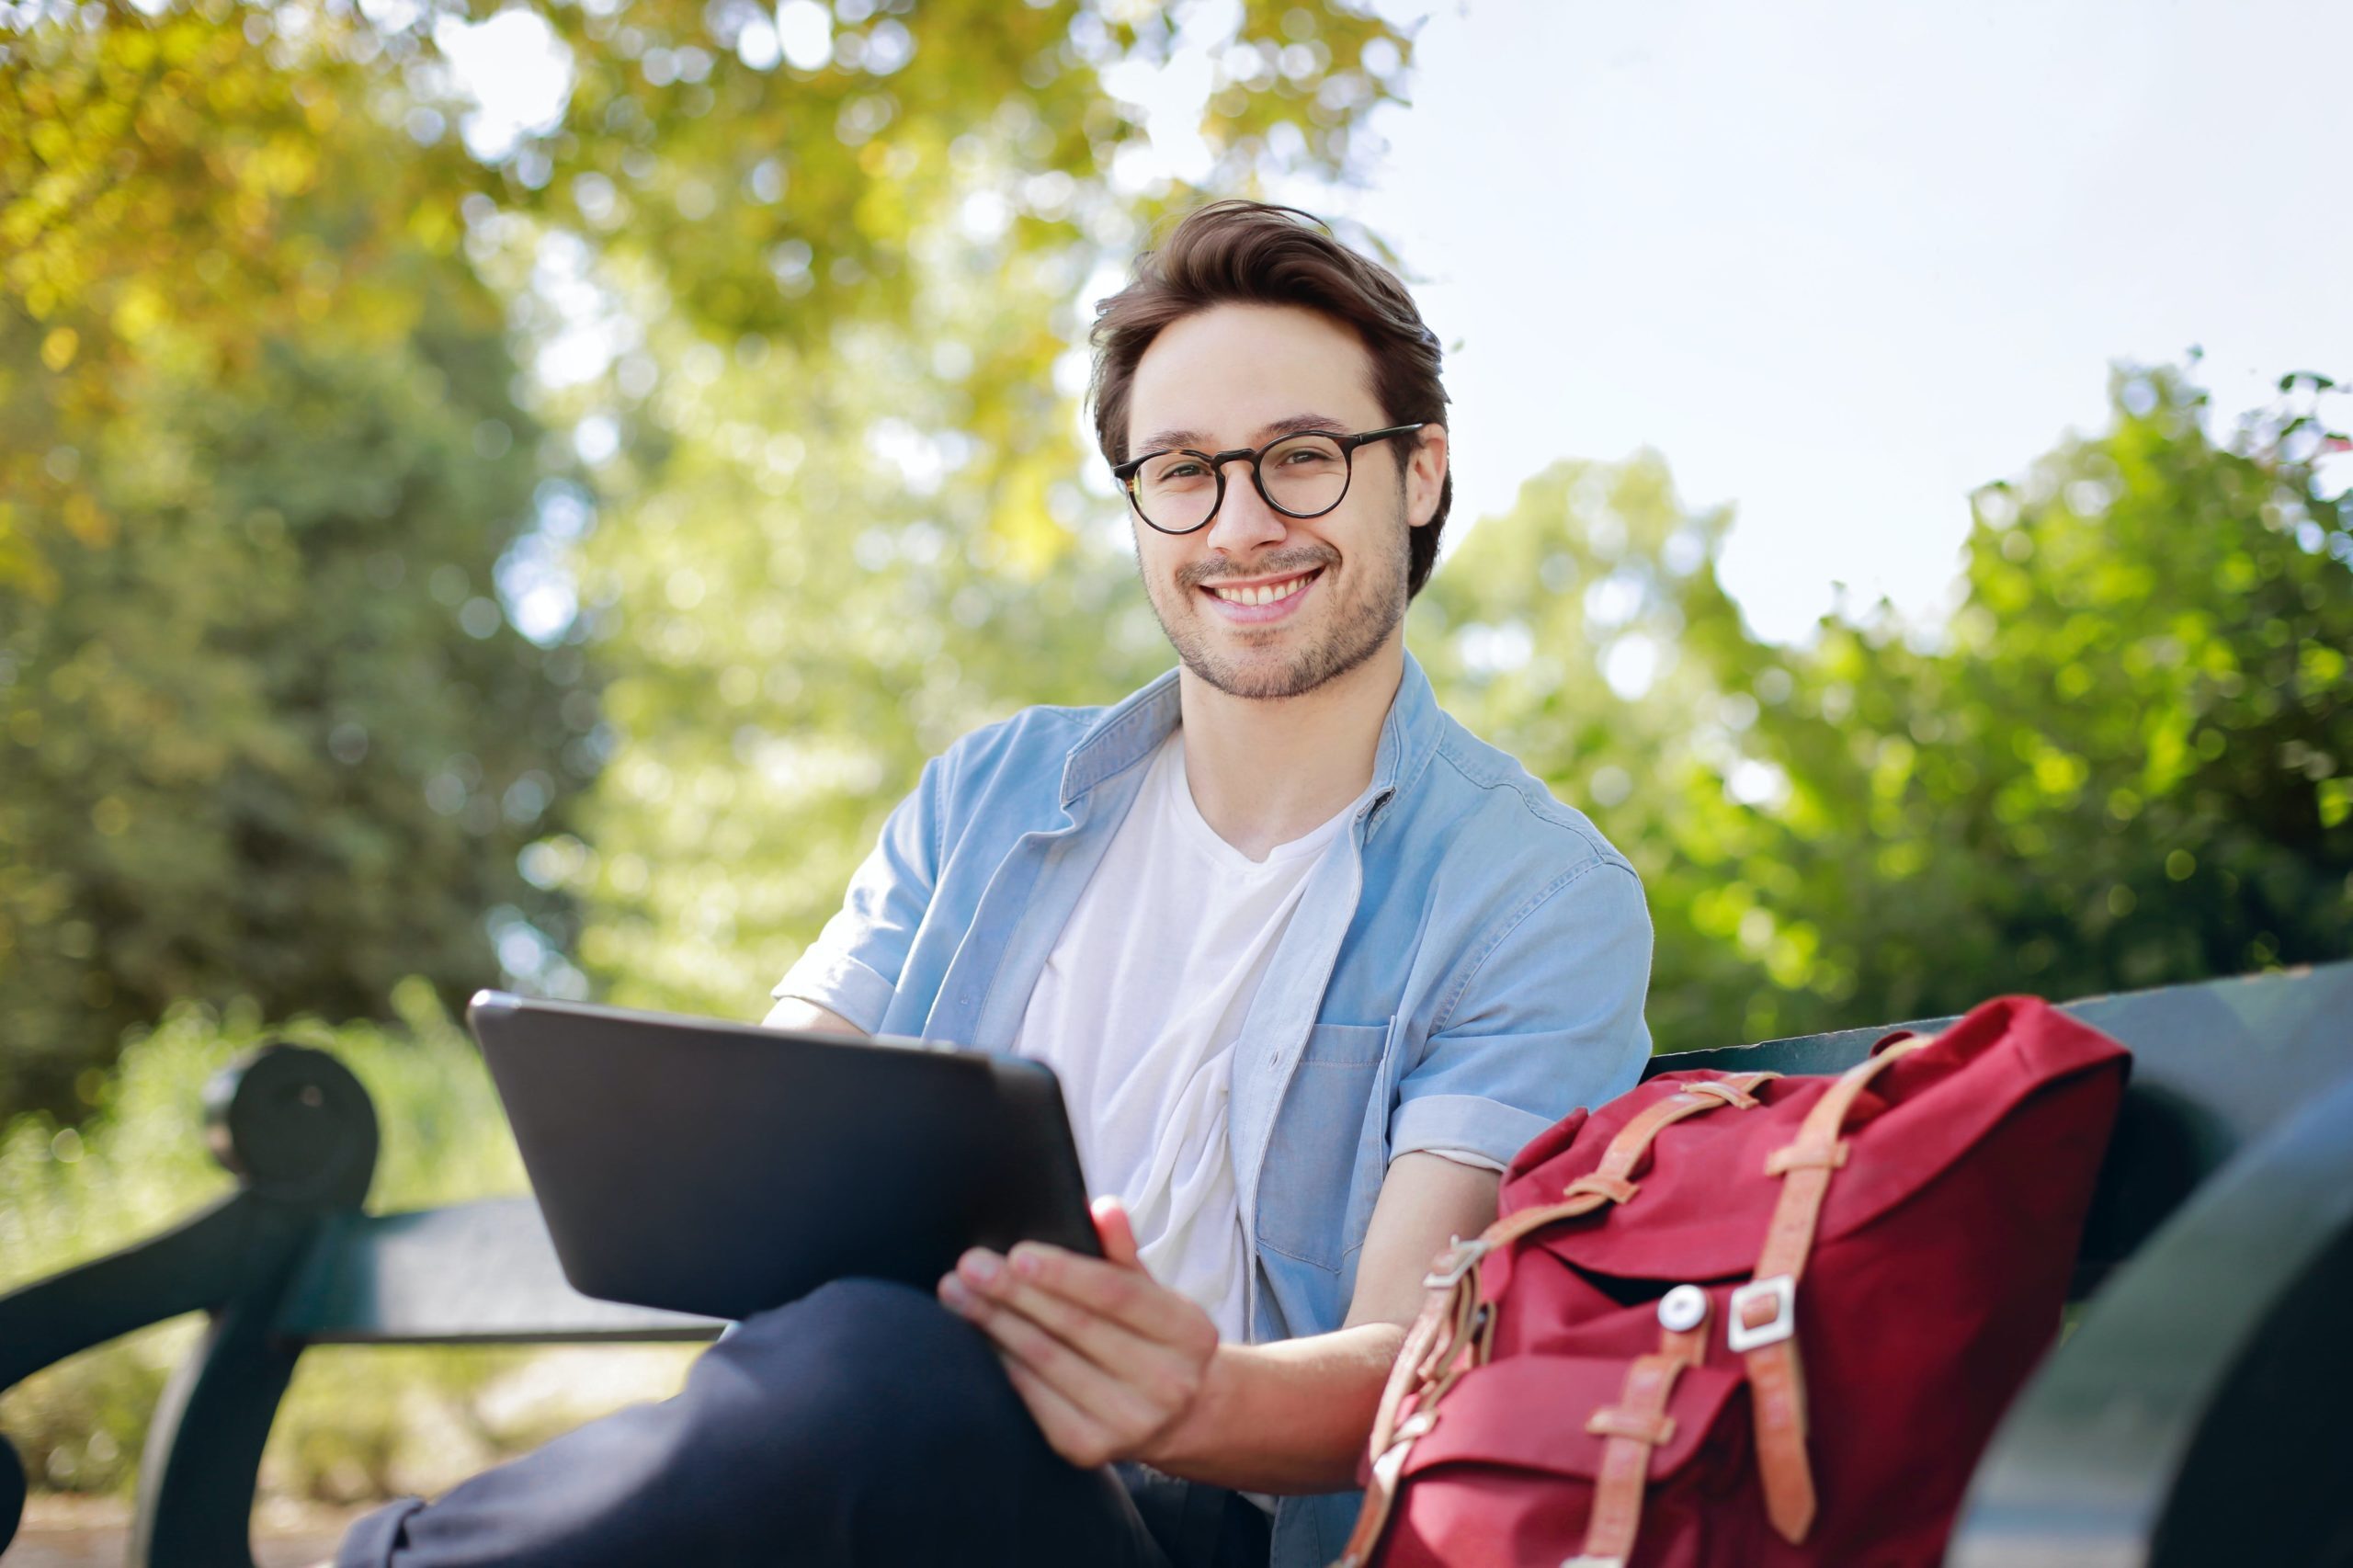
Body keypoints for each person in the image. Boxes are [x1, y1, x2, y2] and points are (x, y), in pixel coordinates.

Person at [334, 200, 1654, 1568]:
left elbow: (1409, 1366)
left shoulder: (1535, 897)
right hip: (848, 1456)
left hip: (1185, 1528)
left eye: (1303, 459)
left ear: (1420, 471)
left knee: (875, 1364)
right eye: (1184, 470)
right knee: (864, 1355)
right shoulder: (988, 797)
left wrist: (1192, 1392)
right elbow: (782, 1113)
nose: (1240, 524)